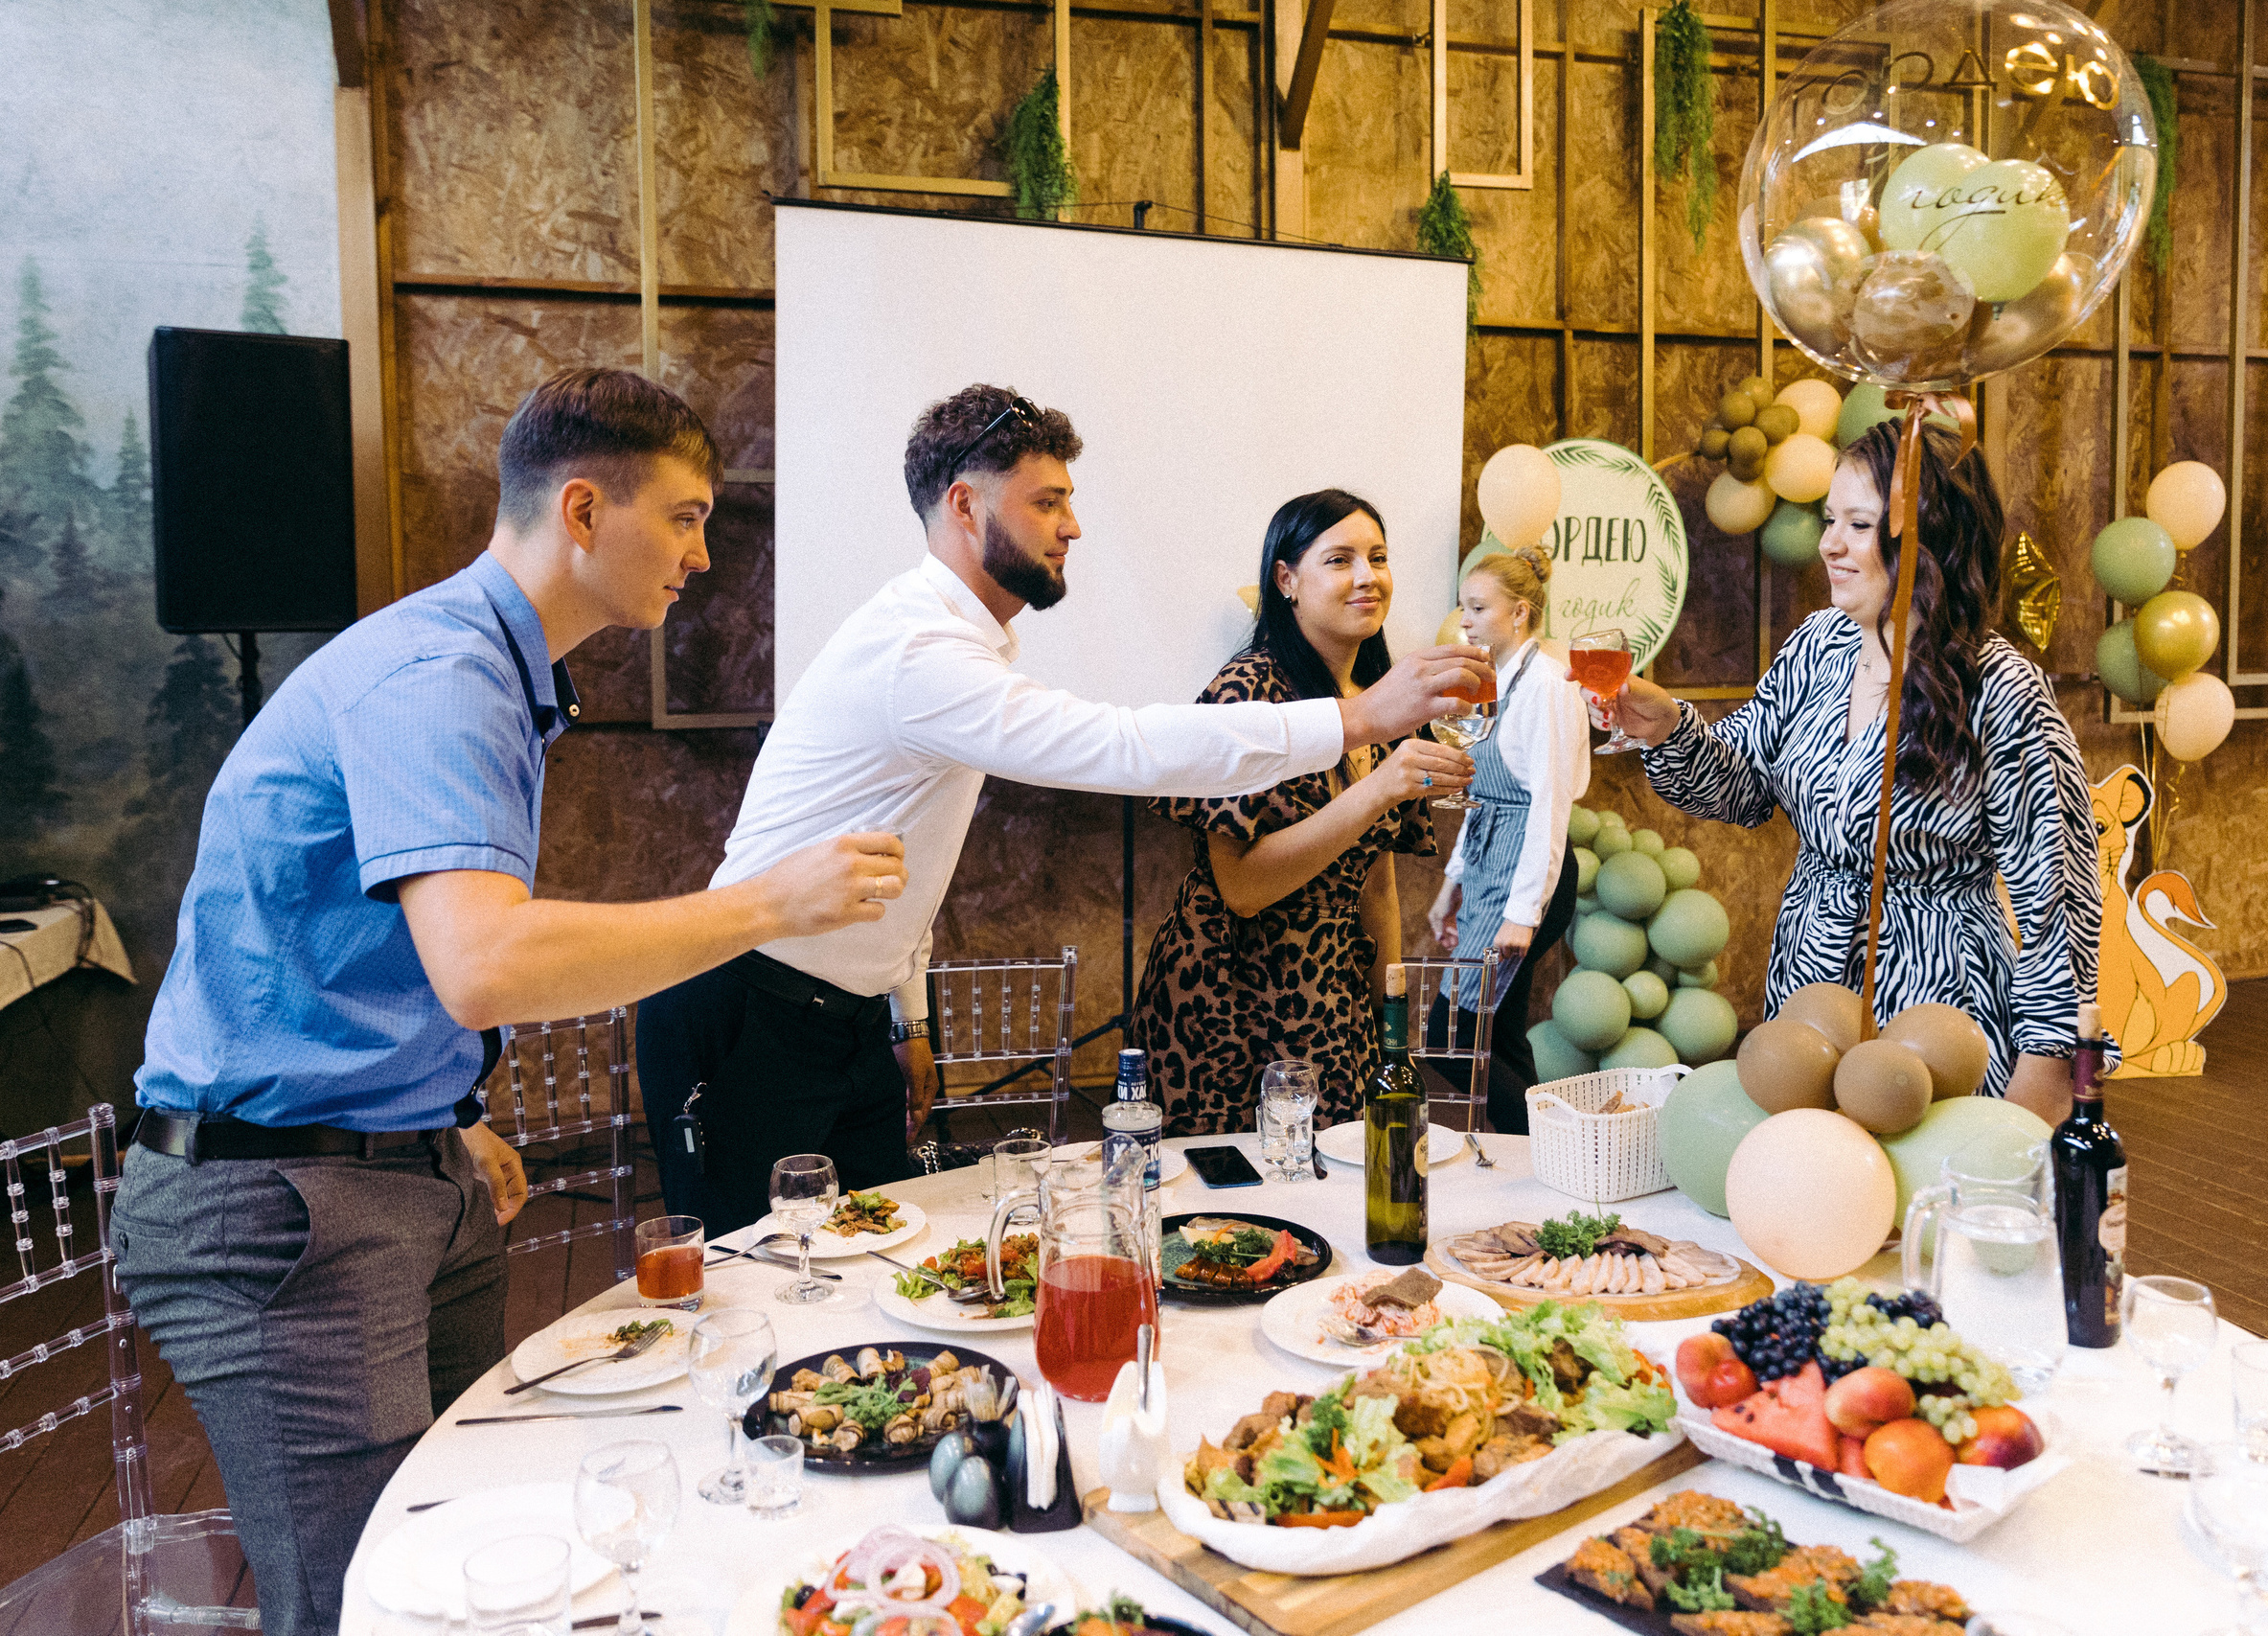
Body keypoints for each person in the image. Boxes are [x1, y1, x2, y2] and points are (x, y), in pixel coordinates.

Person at [109, 370, 905, 1636]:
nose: (706, 555)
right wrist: (766, 904)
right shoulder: (438, 673)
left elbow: (396, 953)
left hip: (395, 1167)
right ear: (583, 510)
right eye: (689, 517)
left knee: (465, 1559)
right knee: (359, 1601)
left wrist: (442, 1110)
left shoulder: (494, 667)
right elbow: (484, 958)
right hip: (278, 1206)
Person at [637, 389, 1487, 1233]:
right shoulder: (918, 650)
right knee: (759, 1288)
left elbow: (903, 851)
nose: (1072, 526)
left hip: (849, 1019)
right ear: (965, 506)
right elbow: (1121, 747)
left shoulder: (964, 642)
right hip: (751, 1008)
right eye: (1048, 502)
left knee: (860, 1273)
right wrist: (1358, 720)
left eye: (1069, 502)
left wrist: (905, 1017)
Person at [1605, 420, 2100, 1125]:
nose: (1829, 544)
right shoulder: (1818, 645)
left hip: (1938, 1015)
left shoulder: (2003, 688)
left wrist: (2037, 1093)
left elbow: (2061, 907)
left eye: (1859, 524)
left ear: (1929, 538)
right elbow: (1742, 786)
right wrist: (1668, 729)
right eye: (1829, 519)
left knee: (1912, 1223)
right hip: (1808, 992)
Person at [1129, 489, 1472, 1134]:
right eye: (1340, 560)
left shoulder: (1383, 700)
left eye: (1378, 556)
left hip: (1333, 999)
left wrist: (1388, 1022)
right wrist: (1376, 790)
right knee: (1229, 1219)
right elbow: (1242, 889)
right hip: (1227, 1000)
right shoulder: (1247, 692)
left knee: (1339, 1189)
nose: (1368, 576)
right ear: (1286, 580)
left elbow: (1378, 884)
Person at [1425, 544, 1590, 1132]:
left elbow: (1547, 806)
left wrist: (1524, 914)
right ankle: (1553, 1157)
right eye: (1463, 608)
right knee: (1496, 1036)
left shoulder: (1547, 684)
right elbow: (1484, 796)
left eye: (1476, 608)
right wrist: (1452, 887)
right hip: (1493, 861)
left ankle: (1551, 1146)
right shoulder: (1498, 683)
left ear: (1519, 612)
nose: (1464, 621)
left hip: (1529, 874)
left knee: (1456, 1031)